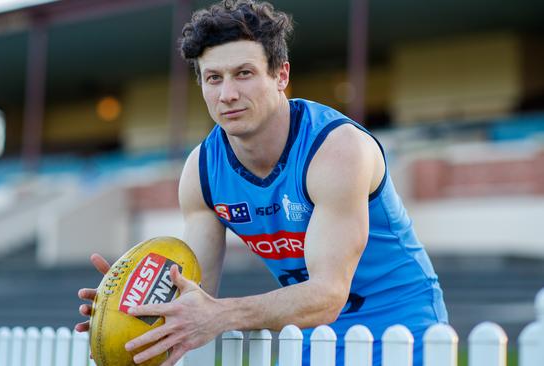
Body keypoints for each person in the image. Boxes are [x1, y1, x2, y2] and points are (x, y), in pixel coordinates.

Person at [76, 1, 448, 365]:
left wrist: (222, 314)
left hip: (405, 332)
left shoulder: (337, 149)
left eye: (244, 73)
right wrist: (130, 305)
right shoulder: (202, 171)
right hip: (312, 337)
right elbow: (196, 292)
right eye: (213, 78)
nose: (228, 94)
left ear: (281, 75)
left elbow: (329, 294)